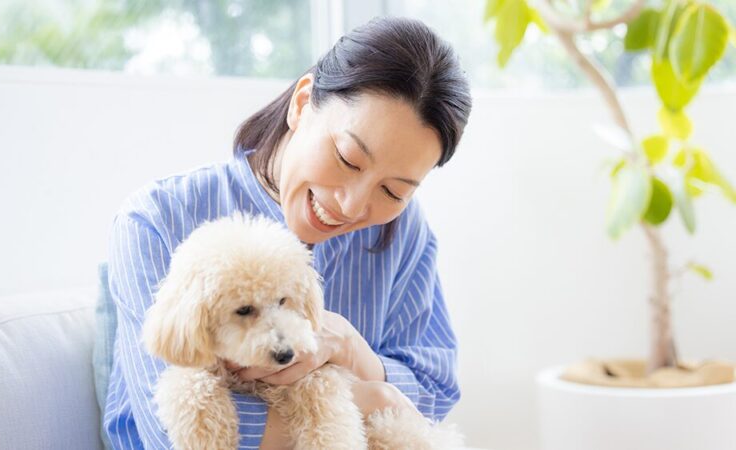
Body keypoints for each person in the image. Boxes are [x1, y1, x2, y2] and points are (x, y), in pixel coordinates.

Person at [103, 15, 472, 450]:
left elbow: (435, 390)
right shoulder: (158, 218)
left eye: (393, 190)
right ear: (301, 103)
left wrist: (356, 354)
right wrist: (370, 403)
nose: (351, 204)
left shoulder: (403, 231)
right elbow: (168, 431)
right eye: (348, 159)